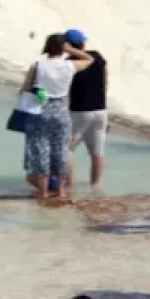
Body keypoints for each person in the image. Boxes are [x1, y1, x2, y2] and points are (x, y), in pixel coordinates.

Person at [21, 34, 95, 200]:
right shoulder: (69, 66)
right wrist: (70, 49)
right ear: (63, 49)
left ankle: (43, 191)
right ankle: (61, 191)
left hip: (40, 111)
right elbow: (90, 59)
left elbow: (25, 89)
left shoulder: (38, 66)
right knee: (60, 150)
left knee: (40, 149)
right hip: (61, 112)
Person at [64, 29, 108, 188]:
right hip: (100, 110)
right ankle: (95, 187)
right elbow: (106, 82)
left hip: (79, 111)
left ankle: (68, 186)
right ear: (82, 43)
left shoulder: (69, 64)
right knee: (97, 152)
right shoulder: (97, 57)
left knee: (66, 150)